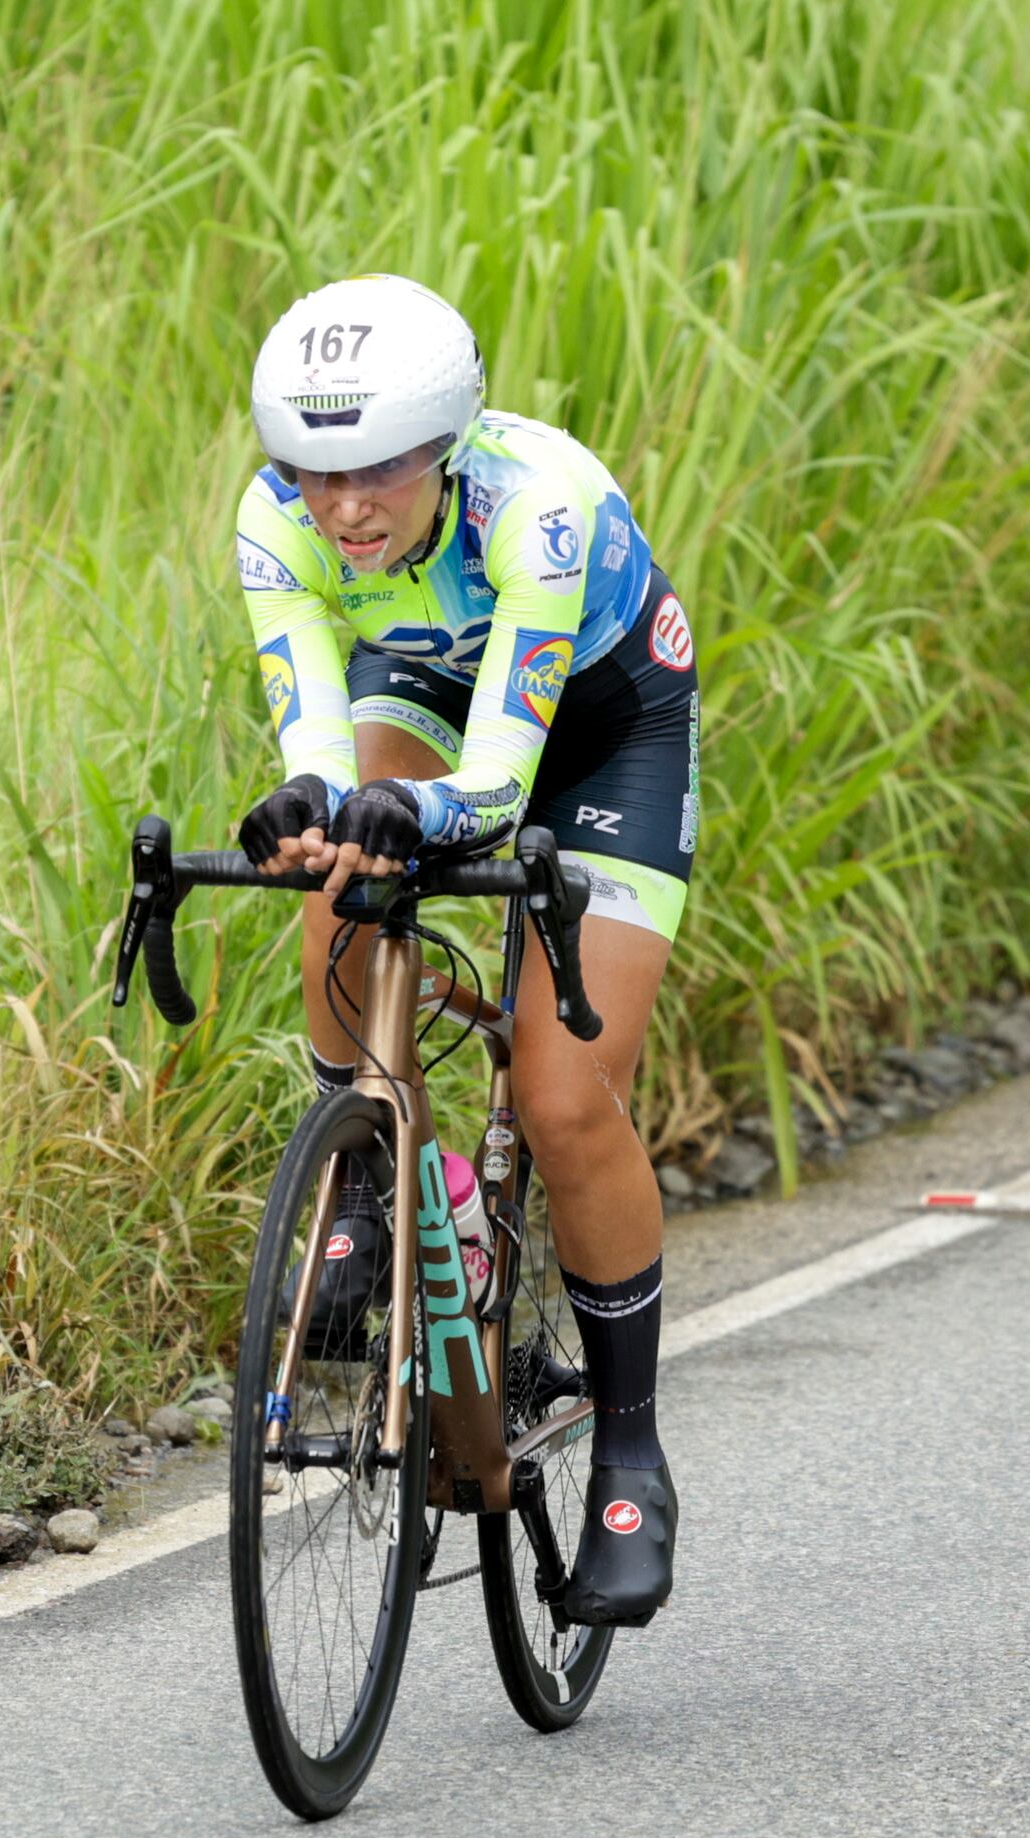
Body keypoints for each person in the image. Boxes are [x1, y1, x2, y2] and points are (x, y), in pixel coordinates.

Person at [231, 274, 699, 1627]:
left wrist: (421, 811)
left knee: (562, 1097)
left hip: (602, 727)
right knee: (339, 869)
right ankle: (375, 1184)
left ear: (445, 445)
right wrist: (310, 808)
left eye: (375, 471)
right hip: (429, 685)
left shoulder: (536, 505)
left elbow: (497, 785)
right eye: (312, 473)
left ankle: (629, 1454)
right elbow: (316, 739)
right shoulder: (278, 523)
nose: (342, 508)